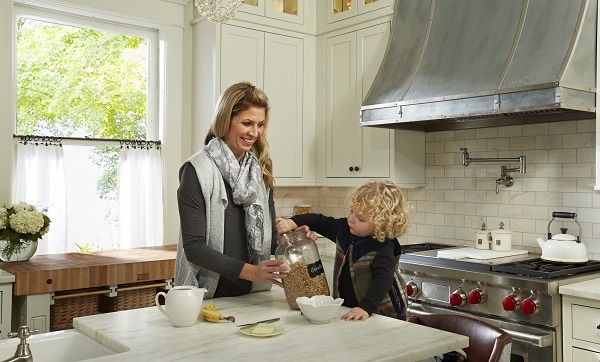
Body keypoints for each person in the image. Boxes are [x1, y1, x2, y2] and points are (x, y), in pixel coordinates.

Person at [175, 81, 287, 299]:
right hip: (206, 297)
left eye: (261, 124)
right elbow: (194, 247)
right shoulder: (196, 170)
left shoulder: (261, 169)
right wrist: (253, 271)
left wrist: (291, 236)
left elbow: (270, 239)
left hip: (254, 296)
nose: (255, 133)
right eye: (247, 123)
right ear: (226, 120)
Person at [275, 180, 409, 321]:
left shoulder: (384, 246)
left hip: (383, 314)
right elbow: (318, 220)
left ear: (380, 225)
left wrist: (365, 308)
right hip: (351, 310)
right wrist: (291, 222)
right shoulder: (343, 229)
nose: (351, 219)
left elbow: (383, 281)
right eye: (352, 211)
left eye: (360, 219)